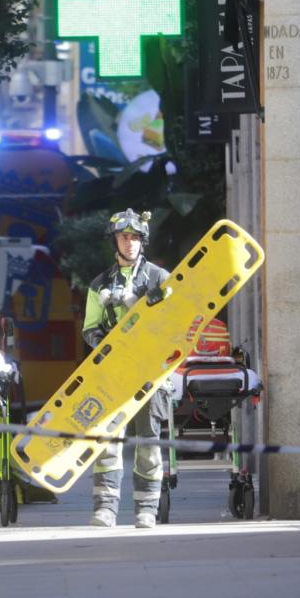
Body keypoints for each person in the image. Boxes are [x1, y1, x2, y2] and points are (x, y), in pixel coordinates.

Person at [81, 208, 172, 529]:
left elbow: (173, 323)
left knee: (148, 441)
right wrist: (106, 344)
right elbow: (89, 328)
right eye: (124, 237)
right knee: (107, 440)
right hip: (113, 371)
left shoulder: (160, 279)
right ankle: (105, 508)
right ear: (115, 241)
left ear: (143, 240)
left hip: (150, 369)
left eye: (135, 237)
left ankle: (146, 509)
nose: (130, 243)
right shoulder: (99, 284)